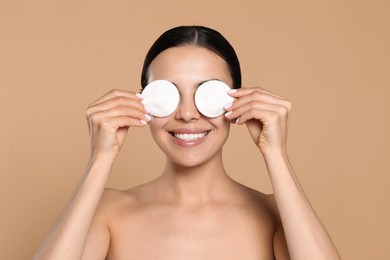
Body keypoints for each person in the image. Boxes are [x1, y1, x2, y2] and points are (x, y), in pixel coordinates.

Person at [34, 25, 340, 259]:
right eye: (168, 95)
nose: (187, 114)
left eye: (206, 94)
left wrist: (276, 154)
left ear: (236, 102)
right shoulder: (108, 212)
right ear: (144, 103)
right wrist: (99, 159)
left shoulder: (278, 214)